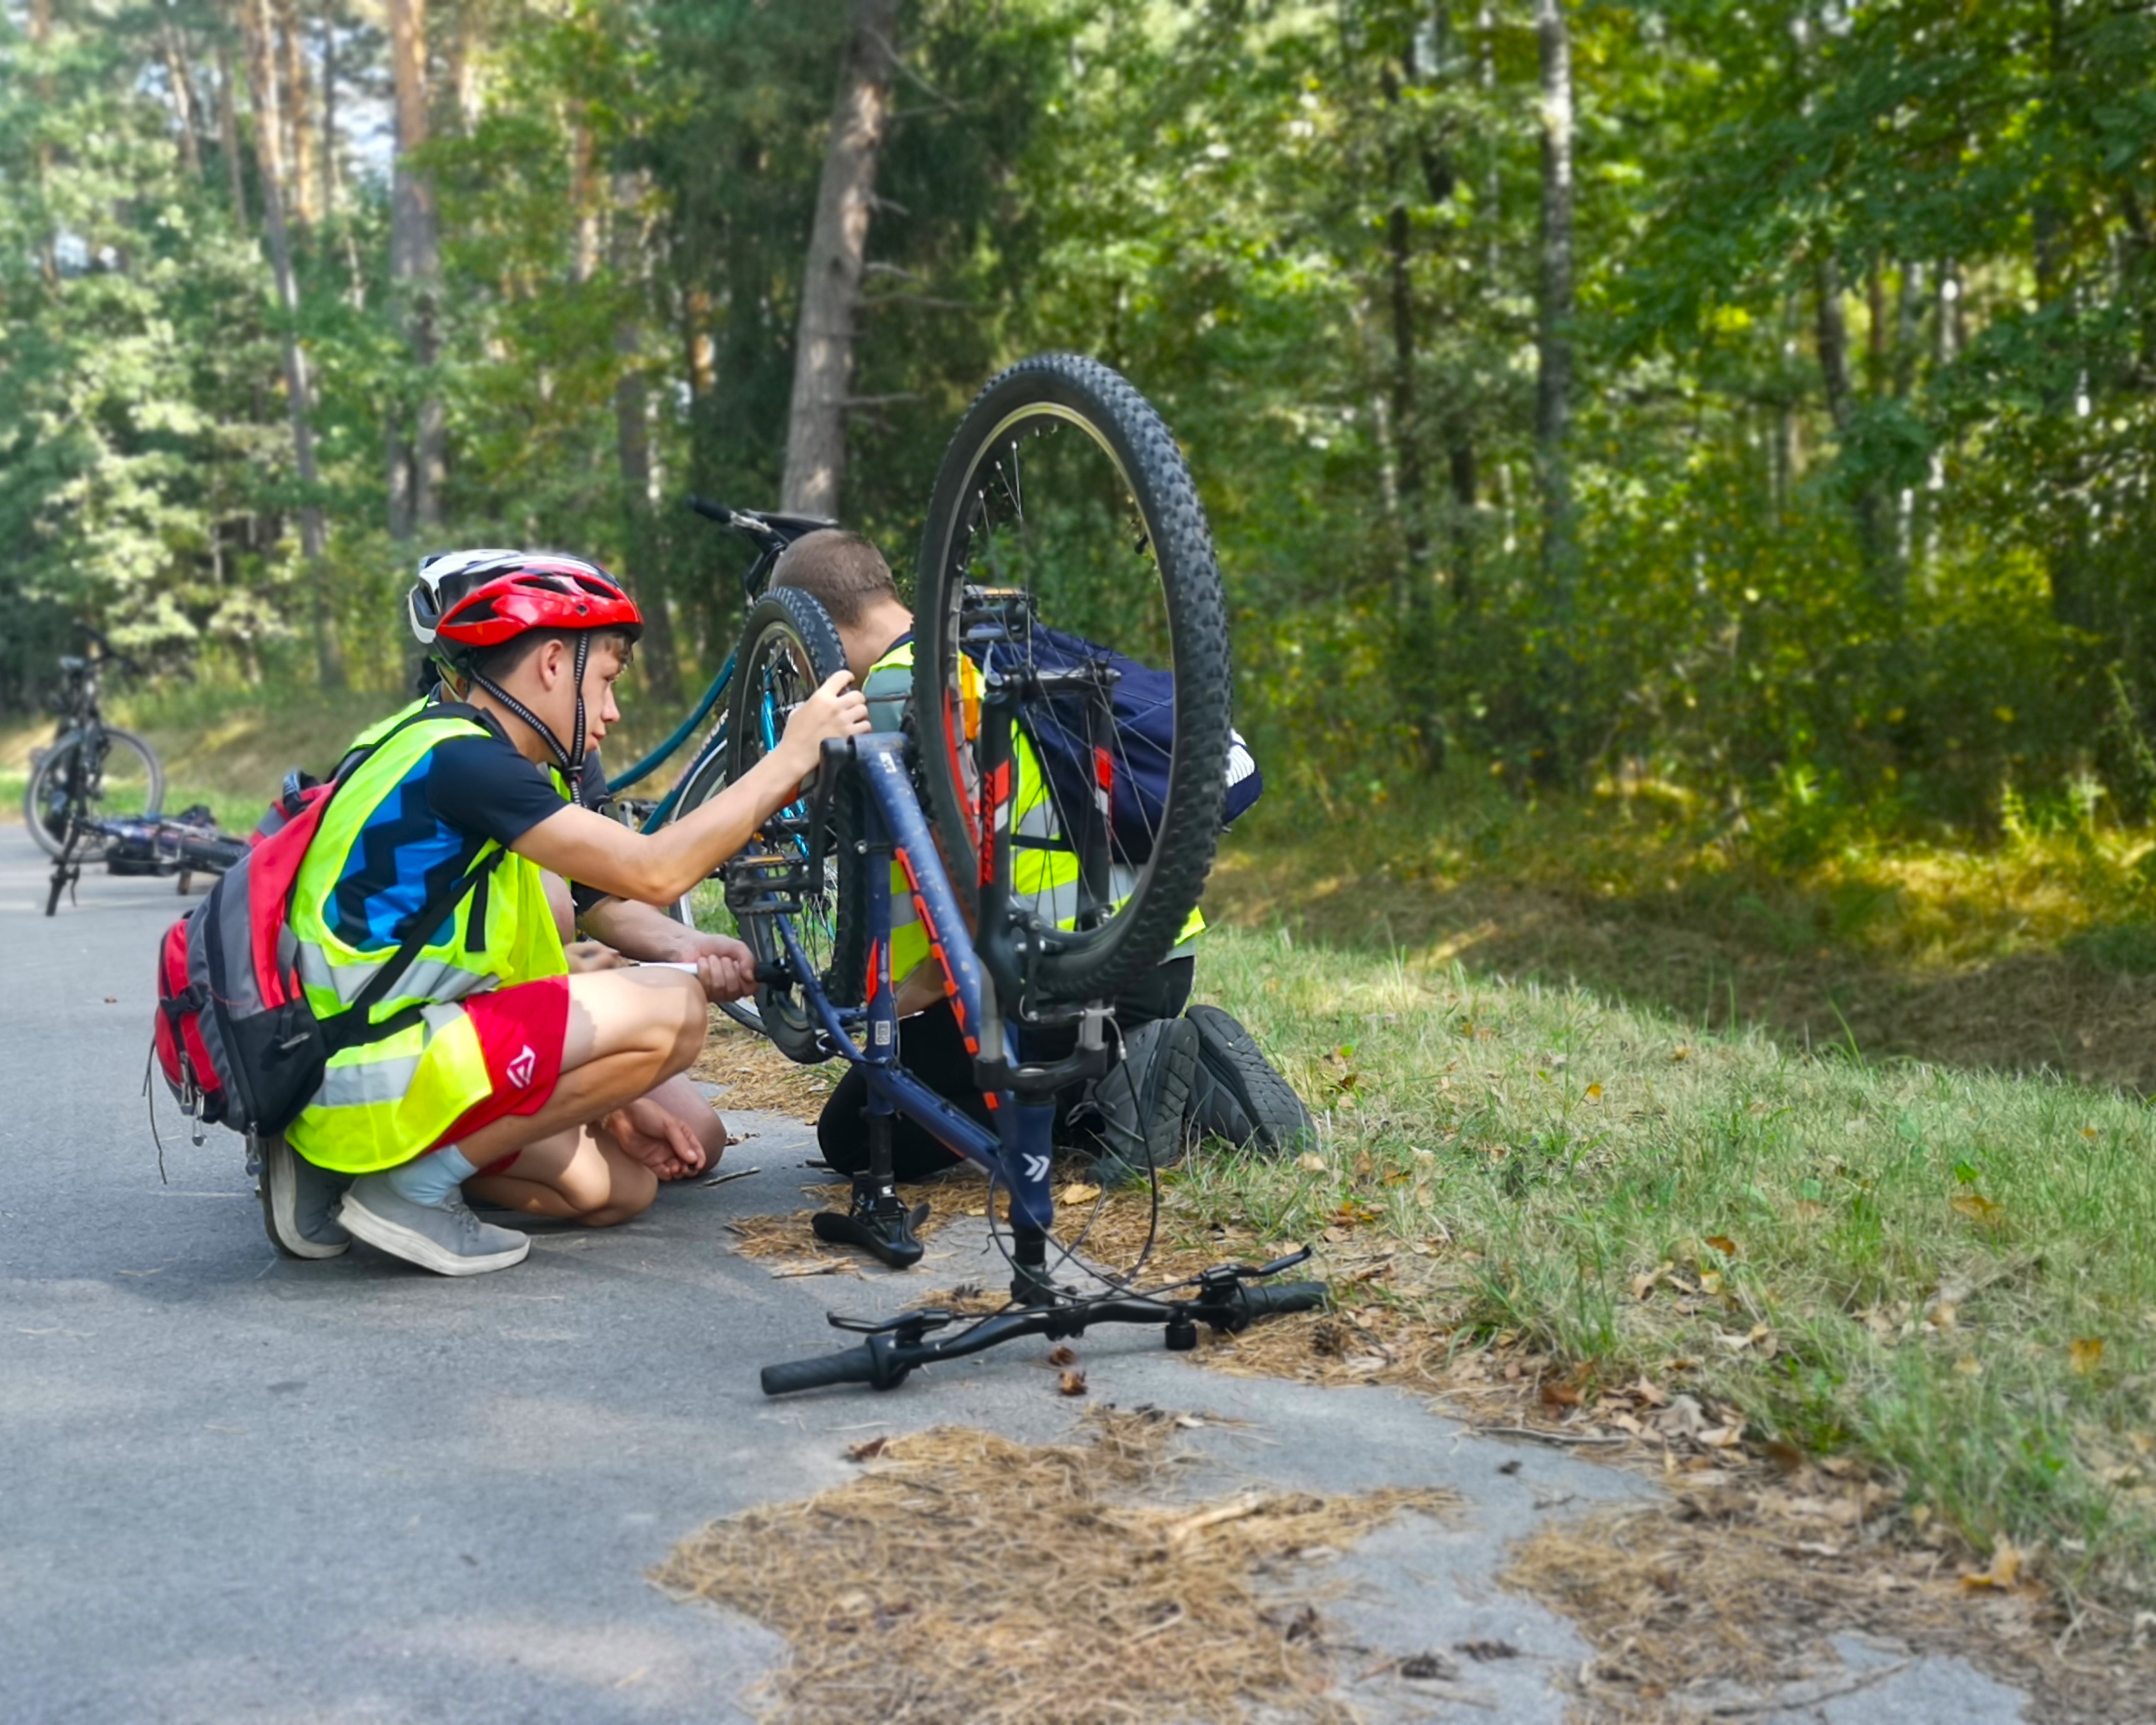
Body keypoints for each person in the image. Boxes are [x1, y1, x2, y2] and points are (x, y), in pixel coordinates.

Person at [258, 549, 870, 1275]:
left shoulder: (431, 743)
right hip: (376, 1061)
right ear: (553, 664)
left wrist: (608, 1087)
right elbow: (656, 869)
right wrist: (791, 756)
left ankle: (355, 1171)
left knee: (622, 1190)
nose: (611, 714)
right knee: (674, 1007)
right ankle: (405, 1187)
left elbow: (594, 901)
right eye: (606, 681)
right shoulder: (468, 763)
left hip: (390, 1044)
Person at [765, 530, 1312, 1186]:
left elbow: (956, 891)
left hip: (1037, 990)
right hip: (1158, 964)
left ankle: (1110, 1098)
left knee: (854, 1134)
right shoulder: (1007, 644)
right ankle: (1159, 1064)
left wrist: (901, 1000)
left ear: (811, 627)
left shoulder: (895, 690)